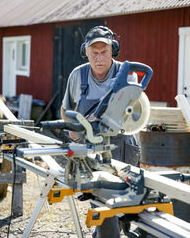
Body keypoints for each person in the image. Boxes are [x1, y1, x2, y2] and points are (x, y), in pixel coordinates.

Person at [61, 25, 140, 238]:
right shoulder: (78, 75)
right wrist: (73, 130)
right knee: (102, 202)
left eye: (103, 52)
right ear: (85, 52)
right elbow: (66, 109)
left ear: (112, 50)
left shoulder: (126, 73)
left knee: (128, 203)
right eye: (93, 52)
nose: (98, 58)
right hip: (92, 147)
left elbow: (135, 111)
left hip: (122, 145)